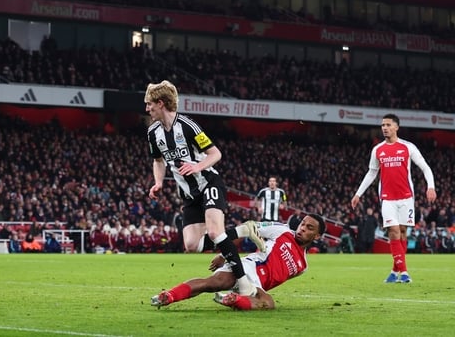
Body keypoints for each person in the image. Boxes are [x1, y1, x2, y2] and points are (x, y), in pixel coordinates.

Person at [145, 81, 262, 297]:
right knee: (191, 245)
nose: (147, 108)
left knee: (216, 232)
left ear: (160, 103)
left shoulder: (188, 126)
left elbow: (215, 154)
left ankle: (244, 283)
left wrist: (196, 166)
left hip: (209, 183)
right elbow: (158, 161)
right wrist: (159, 182)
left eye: (149, 104)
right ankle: (243, 231)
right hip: (189, 195)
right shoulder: (153, 132)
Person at [151, 215, 326, 310]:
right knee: (212, 283)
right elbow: (247, 228)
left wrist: (255, 292)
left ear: (317, 236)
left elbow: (275, 278)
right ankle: (169, 295)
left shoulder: (303, 266)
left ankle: (233, 299)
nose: (302, 228)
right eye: (302, 224)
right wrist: (226, 253)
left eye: (309, 228)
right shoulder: (282, 231)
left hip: (256, 285)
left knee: (268, 303)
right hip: (249, 266)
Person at [350, 113, 436, 283]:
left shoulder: (407, 147)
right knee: (394, 231)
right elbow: (371, 173)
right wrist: (358, 193)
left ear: (396, 127)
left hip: (406, 198)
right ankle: (404, 272)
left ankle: (394, 270)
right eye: (383, 125)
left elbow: (425, 168)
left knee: (403, 232)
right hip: (387, 198)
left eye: (388, 125)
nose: (384, 128)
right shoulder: (378, 150)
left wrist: (430, 186)